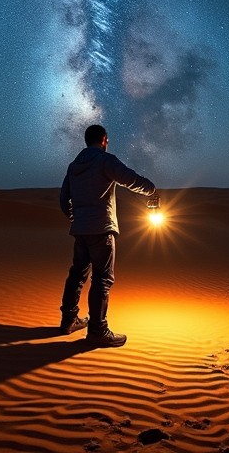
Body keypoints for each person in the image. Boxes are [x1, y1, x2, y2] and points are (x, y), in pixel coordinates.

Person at [58, 123, 156, 348]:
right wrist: (150, 189)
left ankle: (68, 320)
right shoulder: (105, 160)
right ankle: (98, 331)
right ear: (103, 139)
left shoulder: (73, 166)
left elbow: (64, 198)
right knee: (102, 279)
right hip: (102, 229)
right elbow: (128, 178)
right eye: (107, 140)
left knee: (77, 276)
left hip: (81, 230)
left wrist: (75, 218)